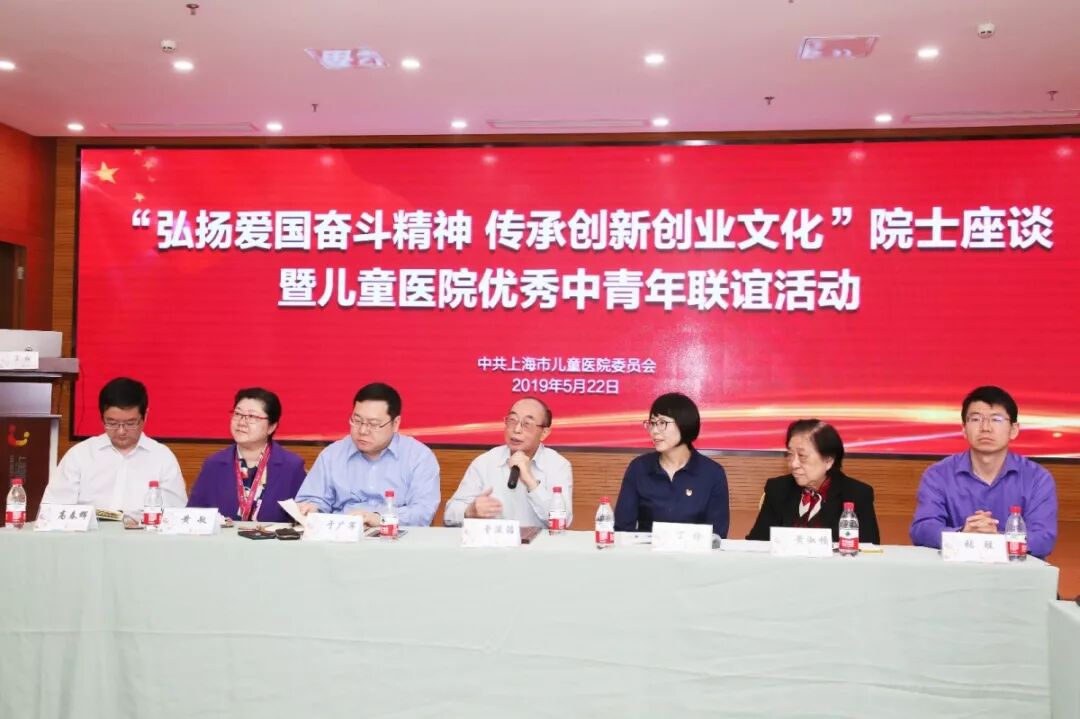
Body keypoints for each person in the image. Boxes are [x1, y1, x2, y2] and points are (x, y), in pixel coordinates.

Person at [910, 385, 1058, 558]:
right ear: (964, 429)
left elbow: (1043, 539)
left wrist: (996, 540)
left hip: (1017, 572)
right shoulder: (938, 475)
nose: (985, 427)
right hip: (954, 571)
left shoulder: (1037, 479)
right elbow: (922, 530)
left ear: (1013, 430)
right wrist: (962, 534)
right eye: (976, 419)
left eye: (996, 419)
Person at [295, 382, 440, 527]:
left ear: (395, 423)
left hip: (395, 536)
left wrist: (380, 519)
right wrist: (310, 509)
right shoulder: (332, 455)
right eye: (357, 421)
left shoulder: (419, 457)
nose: (363, 430)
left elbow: (423, 512)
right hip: (341, 536)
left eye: (374, 424)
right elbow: (312, 500)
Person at [42, 377, 186, 512]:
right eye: (112, 423)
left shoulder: (162, 458)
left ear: (145, 416)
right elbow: (51, 511)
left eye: (130, 423)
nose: (121, 431)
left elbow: (176, 515)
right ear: (101, 417)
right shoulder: (80, 455)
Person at [444, 397, 572, 528]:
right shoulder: (485, 462)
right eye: (512, 420)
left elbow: (562, 521)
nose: (517, 429)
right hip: (492, 540)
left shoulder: (558, 466)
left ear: (544, 433)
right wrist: (469, 511)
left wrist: (531, 482)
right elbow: (449, 515)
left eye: (527, 424)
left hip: (538, 541)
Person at [614, 392, 729, 537]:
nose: (654, 431)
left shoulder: (712, 473)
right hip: (647, 551)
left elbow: (717, 534)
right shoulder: (639, 468)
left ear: (684, 424)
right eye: (652, 423)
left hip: (694, 551)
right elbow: (622, 528)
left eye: (662, 423)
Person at [746, 419, 880, 543]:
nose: (793, 464)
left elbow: (868, 549)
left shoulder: (857, 495)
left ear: (828, 461)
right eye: (790, 454)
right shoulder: (777, 489)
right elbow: (756, 543)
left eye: (802, 456)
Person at [186, 388, 307, 523]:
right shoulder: (213, 464)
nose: (242, 422)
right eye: (238, 414)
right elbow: (193, 516)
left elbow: (302, 519)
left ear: (271, 427)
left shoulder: (291, 466)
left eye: (252, 417)